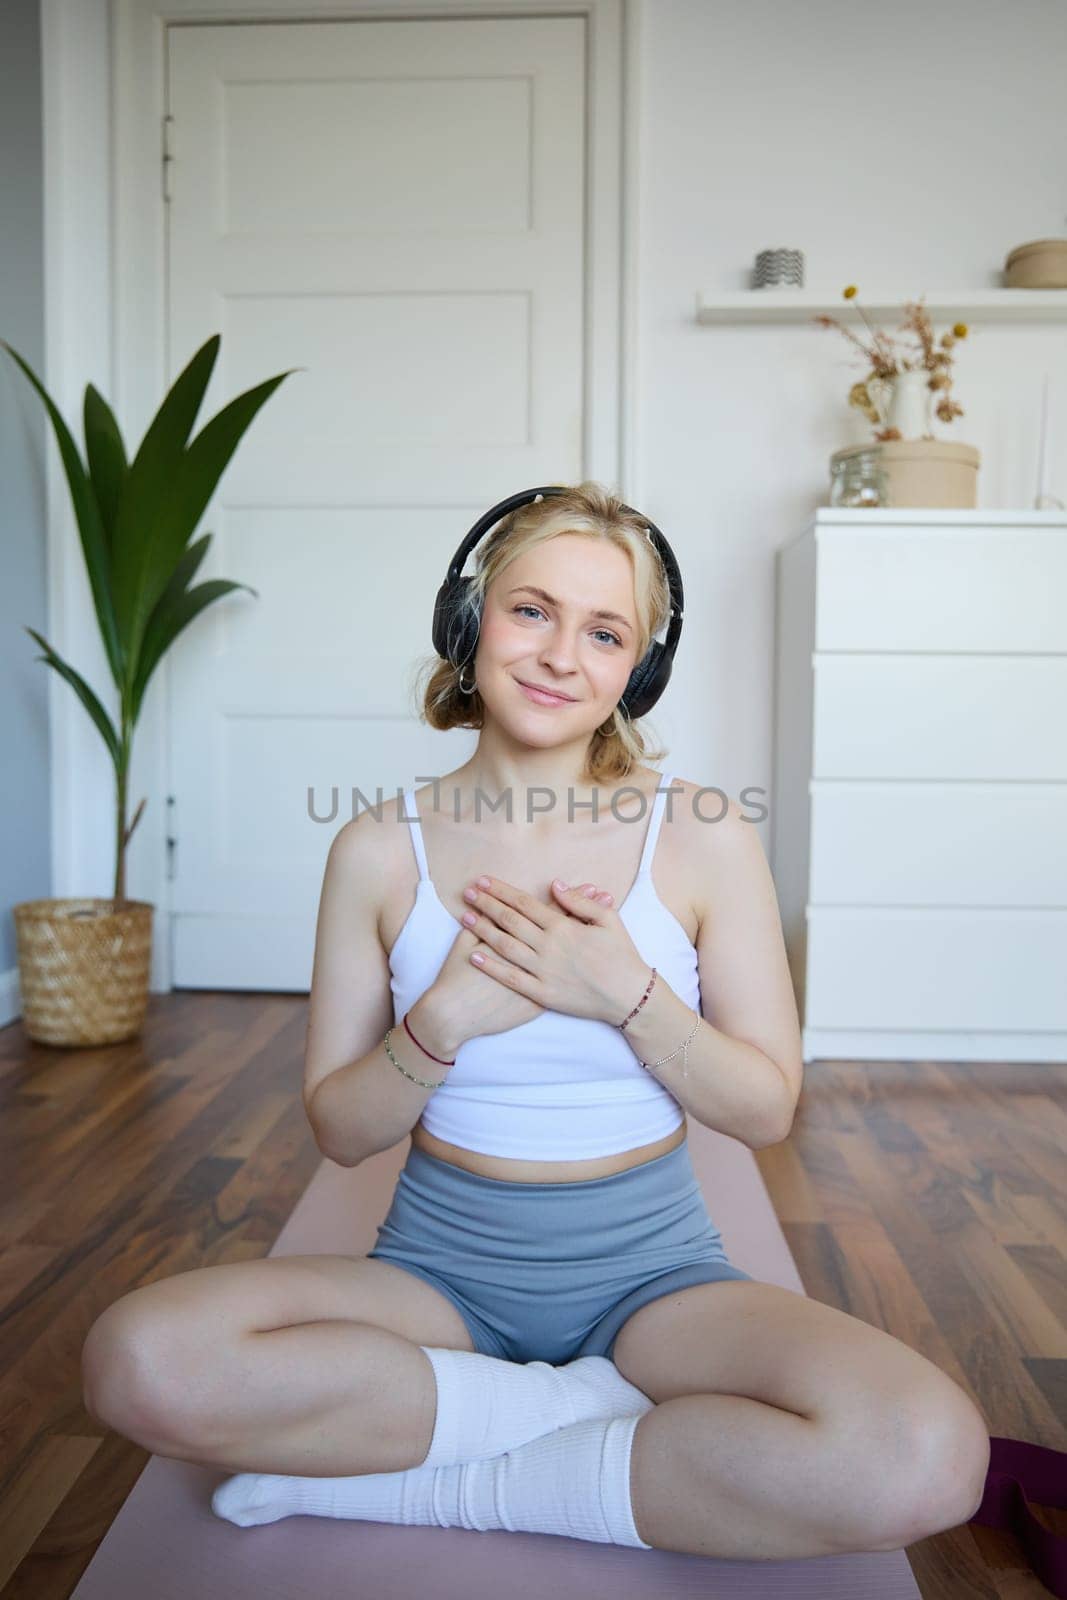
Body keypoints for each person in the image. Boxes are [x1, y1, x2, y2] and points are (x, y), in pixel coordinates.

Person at [79, 482, 990, 1561]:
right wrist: (444, 1018)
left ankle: (433, 1478)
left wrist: (627, 995)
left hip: (656, 1279)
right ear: (467, 623)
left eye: (604, 632)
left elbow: (765, 1109)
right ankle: (577, 1423)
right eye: (531, 610)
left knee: (927, 1451)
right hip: (434, 1277)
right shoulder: (376, 850)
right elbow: (341, 1129)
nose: (562, 654)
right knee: (135, 1359)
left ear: (636, 670)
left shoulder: (700, 835)